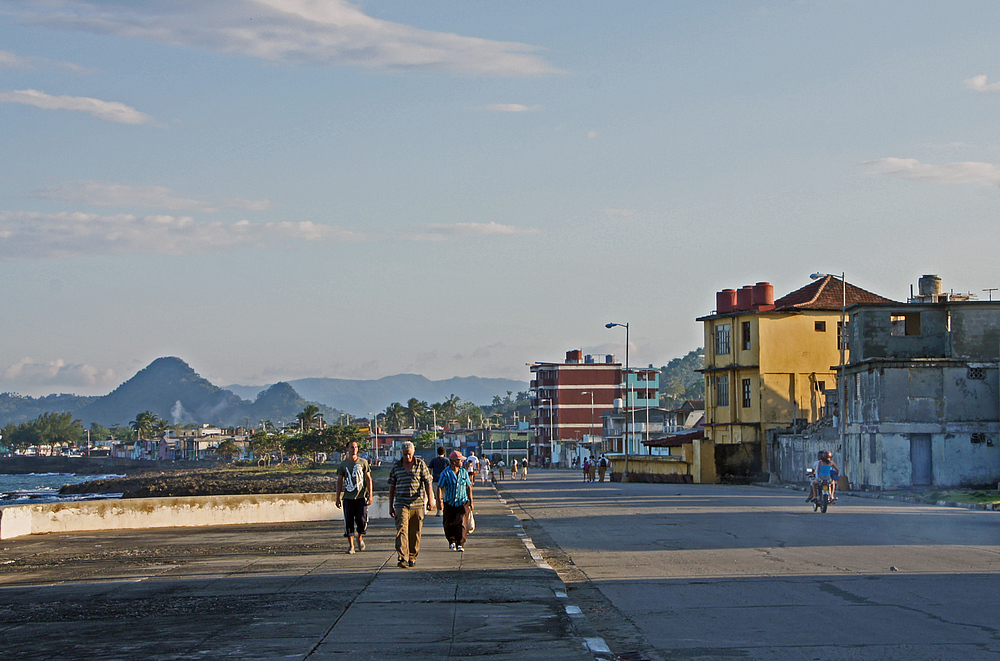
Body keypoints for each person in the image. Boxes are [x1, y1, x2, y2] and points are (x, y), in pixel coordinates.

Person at [387, 441, 434, 568]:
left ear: (413, 453)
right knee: (401, 530)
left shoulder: (420, 465)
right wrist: (391, 505)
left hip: (417, 504)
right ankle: (403, 557)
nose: (407, 457)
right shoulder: (396, 466)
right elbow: (392, 486)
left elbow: (428, 483)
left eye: (409, 454)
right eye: (405, 454)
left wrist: (430, 500)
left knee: (415, 531)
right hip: (401, 503)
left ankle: (412, 556)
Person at [335, 440, 373, 554]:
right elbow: (339, 481)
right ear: (347, 449)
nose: (354, 449)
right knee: (349, 522)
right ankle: (351, 546)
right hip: (348, 498)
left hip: (361, 497)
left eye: (356, 447)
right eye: (352, 447)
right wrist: (337, 497)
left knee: (362, 520)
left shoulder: (363, 462)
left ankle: (360, 537)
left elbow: (368, 479)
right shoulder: (343, 465)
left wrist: (370, 494)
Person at [437, 450, 474, 552]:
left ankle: (460, 543)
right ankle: (452, 541)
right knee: (449, 523)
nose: (462, 462)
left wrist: (471, 501)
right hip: (449, 502)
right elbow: (439, 487)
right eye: (460, 460)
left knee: (462, 522)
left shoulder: (464, 472)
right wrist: (439, 501)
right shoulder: (445, 473)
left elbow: (468, 487)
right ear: (454, 461)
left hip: (462, 501)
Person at [428, 446, 449, 517]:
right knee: (446, 496)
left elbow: (429, 469)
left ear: (437, 452)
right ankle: (446, 510)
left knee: (438, 497)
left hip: (436, 480)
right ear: (444, 453)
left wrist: (430, 476)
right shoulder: (447, 460)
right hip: (445, 480)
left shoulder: (433, 460)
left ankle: (439, 511)